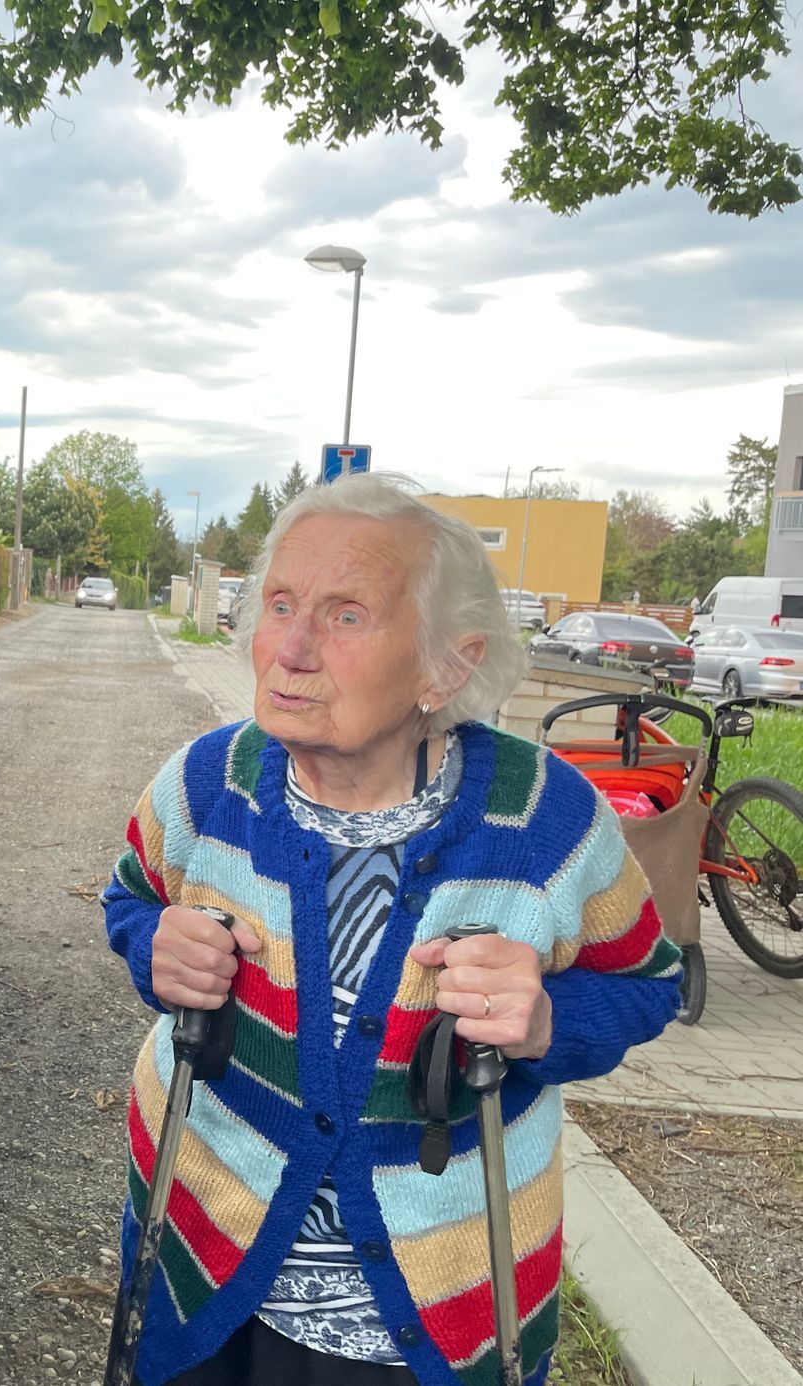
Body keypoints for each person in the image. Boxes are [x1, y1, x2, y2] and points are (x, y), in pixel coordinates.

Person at [102, 472, 681, 1386]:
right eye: (279, 603)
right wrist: (154, 947)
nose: (288, 649)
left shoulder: (544, 821)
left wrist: (543, 1025)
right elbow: (131, 898)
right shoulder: (208, 785)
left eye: (343, 616)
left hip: (427, 1319)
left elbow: (652, 982)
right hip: (203, 1271)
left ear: (445, 667)